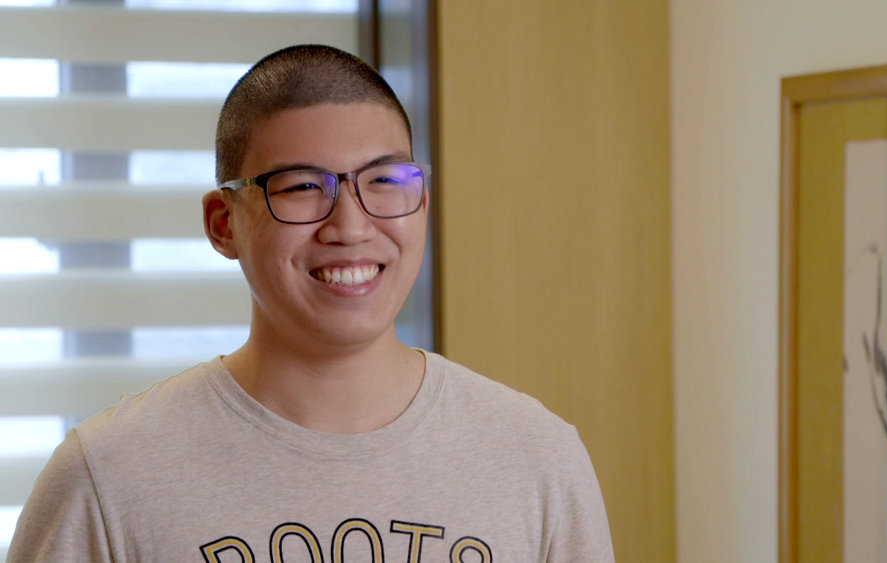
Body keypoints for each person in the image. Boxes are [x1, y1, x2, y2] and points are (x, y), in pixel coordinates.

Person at [7, 44, 614, 562]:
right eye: (301, 186)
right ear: (223, 223)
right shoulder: (108, 476)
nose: (350, 227)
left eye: (385, 181)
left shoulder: (537, 458)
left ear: (422, 203)